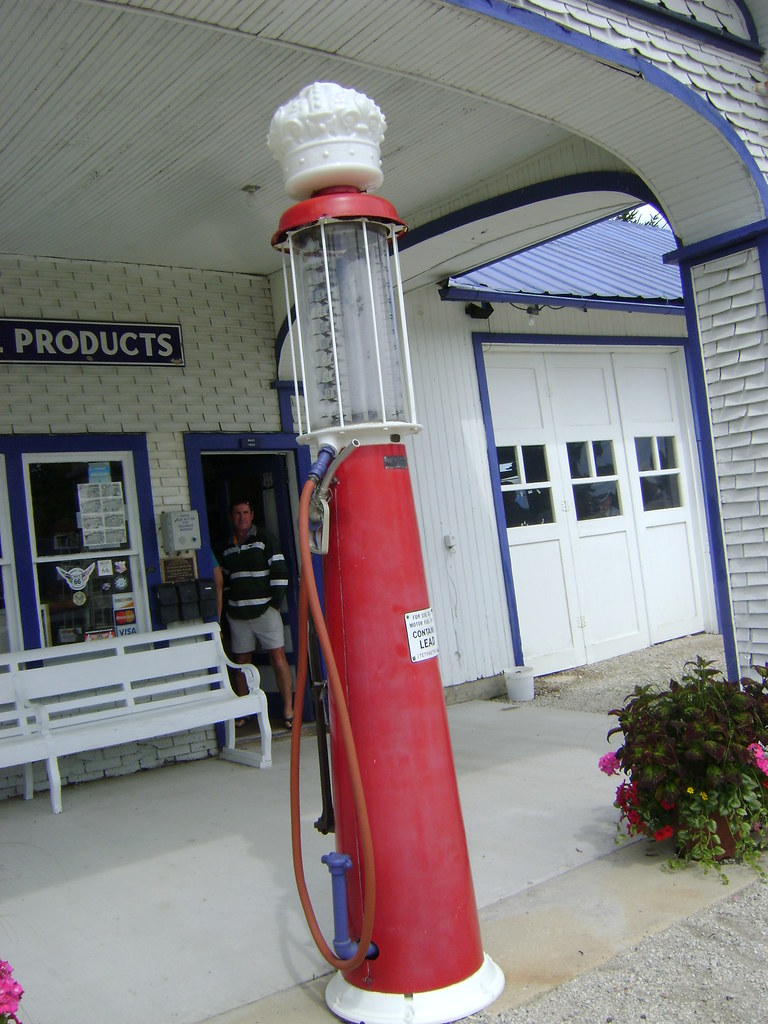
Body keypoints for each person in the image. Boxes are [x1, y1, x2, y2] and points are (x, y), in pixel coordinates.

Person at [219, 498, 294, 729]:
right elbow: (225, 580)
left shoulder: (264, 539)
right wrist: (230, 607)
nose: (241, 517)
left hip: (265, 611)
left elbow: (280, 571)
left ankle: (289, 711)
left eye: (245, 512)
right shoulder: (227, 546)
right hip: (238, 615)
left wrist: (274, 604)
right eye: (237, 513)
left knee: (277, 657)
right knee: (241, 662)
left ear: (252, 515)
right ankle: (245, 712)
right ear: (231, 517)